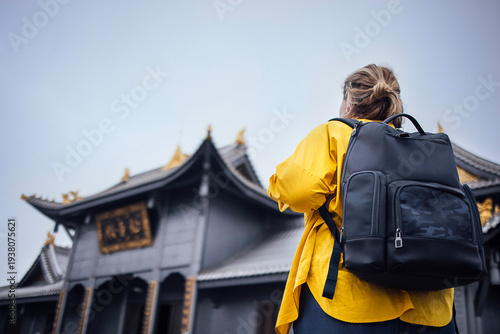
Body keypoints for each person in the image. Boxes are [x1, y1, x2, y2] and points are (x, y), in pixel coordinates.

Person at [267, 64, 456, 334]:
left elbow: (299, 190)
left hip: (350, 300)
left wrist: (277, 183)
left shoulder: (335, 133)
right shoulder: (426, 147)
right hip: (430, 305)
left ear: (348, 103)